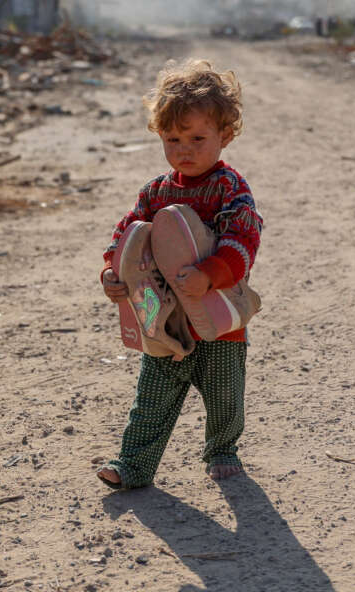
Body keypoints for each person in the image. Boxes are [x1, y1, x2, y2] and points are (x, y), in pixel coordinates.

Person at [97, 59, 263, 489]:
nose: (184, 150)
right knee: (151, 398)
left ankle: (223, 449)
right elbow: (128, 236)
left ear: (224, 136)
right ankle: (133, 463)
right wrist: (113, 274)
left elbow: (244, 237)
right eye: (173, 139)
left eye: (197, 139)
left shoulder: (229, 188)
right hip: (162, 316)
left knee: (225, 396)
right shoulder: (156, 192)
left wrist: (211, 273)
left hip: (215, 314)